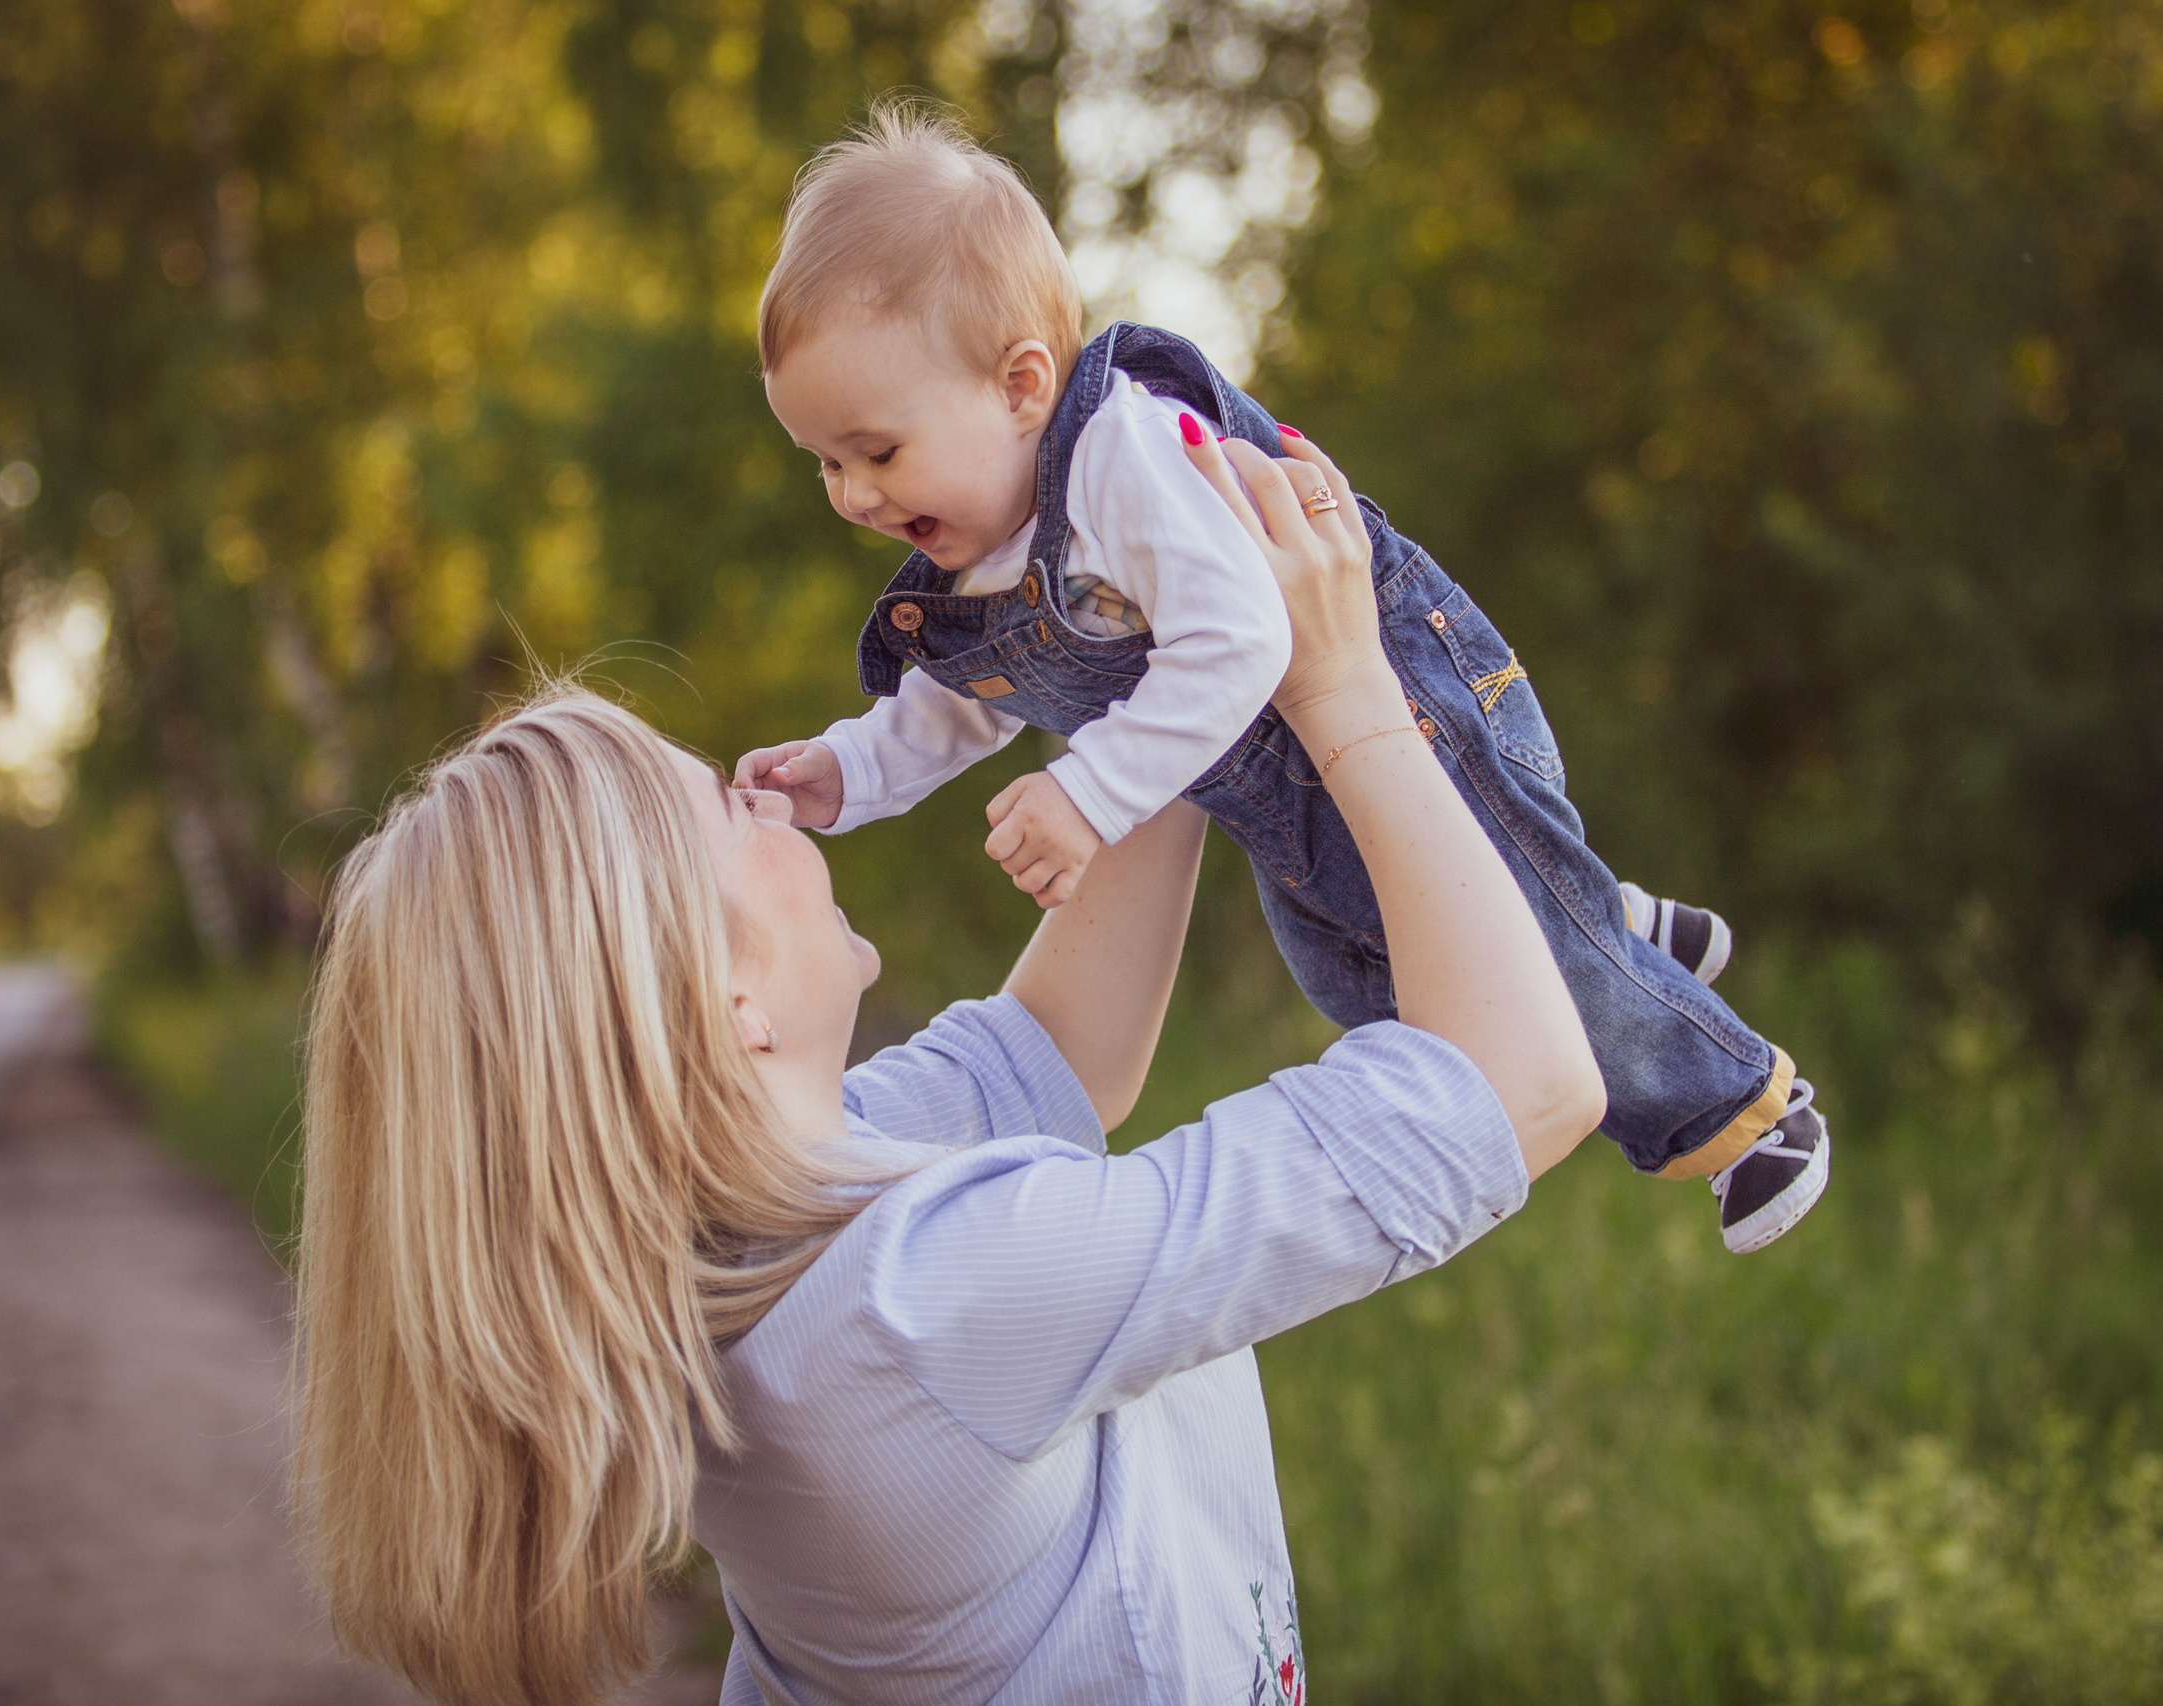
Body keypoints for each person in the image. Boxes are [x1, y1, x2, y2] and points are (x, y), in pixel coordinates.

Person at [294, 426, 1604, 1705]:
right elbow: (1520, 1080)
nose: (762, 796)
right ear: (720, 997)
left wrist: (1148, 638)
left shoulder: (746, 1239)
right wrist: (1341, 688)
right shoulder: (929, 1297)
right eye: (721, 808)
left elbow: (1062, 1056)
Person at [735, 104, 1828, 1256]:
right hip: (1286, 787)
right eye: (825, 464)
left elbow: (1246, 634)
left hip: (1404, 698)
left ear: (1018, 386)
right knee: (1361, 979)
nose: (854, 494)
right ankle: (1607, 917)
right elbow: (958, 703)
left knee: (1521, 964)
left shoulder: (1125, 454)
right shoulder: (981, 546)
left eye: (876, 450)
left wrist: (1091, 791)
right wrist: (841, 773)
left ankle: (1746, 1113)